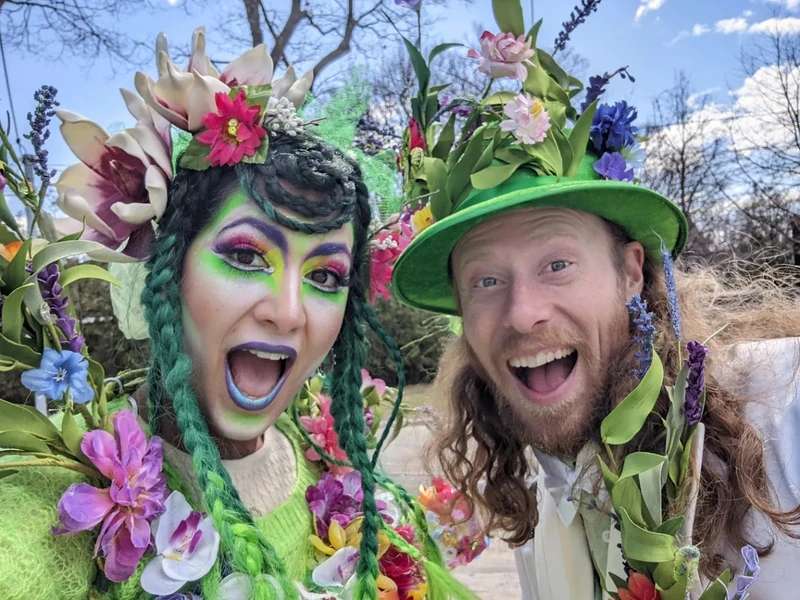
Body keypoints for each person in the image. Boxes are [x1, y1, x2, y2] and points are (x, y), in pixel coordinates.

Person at [0, 28, 484, 600]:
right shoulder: (55, 507)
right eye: (247, 255)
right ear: (166, 272)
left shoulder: (360, 499)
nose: (288, 312)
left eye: (325, 276)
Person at [388, 3, 800, 599]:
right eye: (485, 281)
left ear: (631, 273)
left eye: (556, 265)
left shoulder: (784, 411)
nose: (523, 312)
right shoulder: (539, 504)